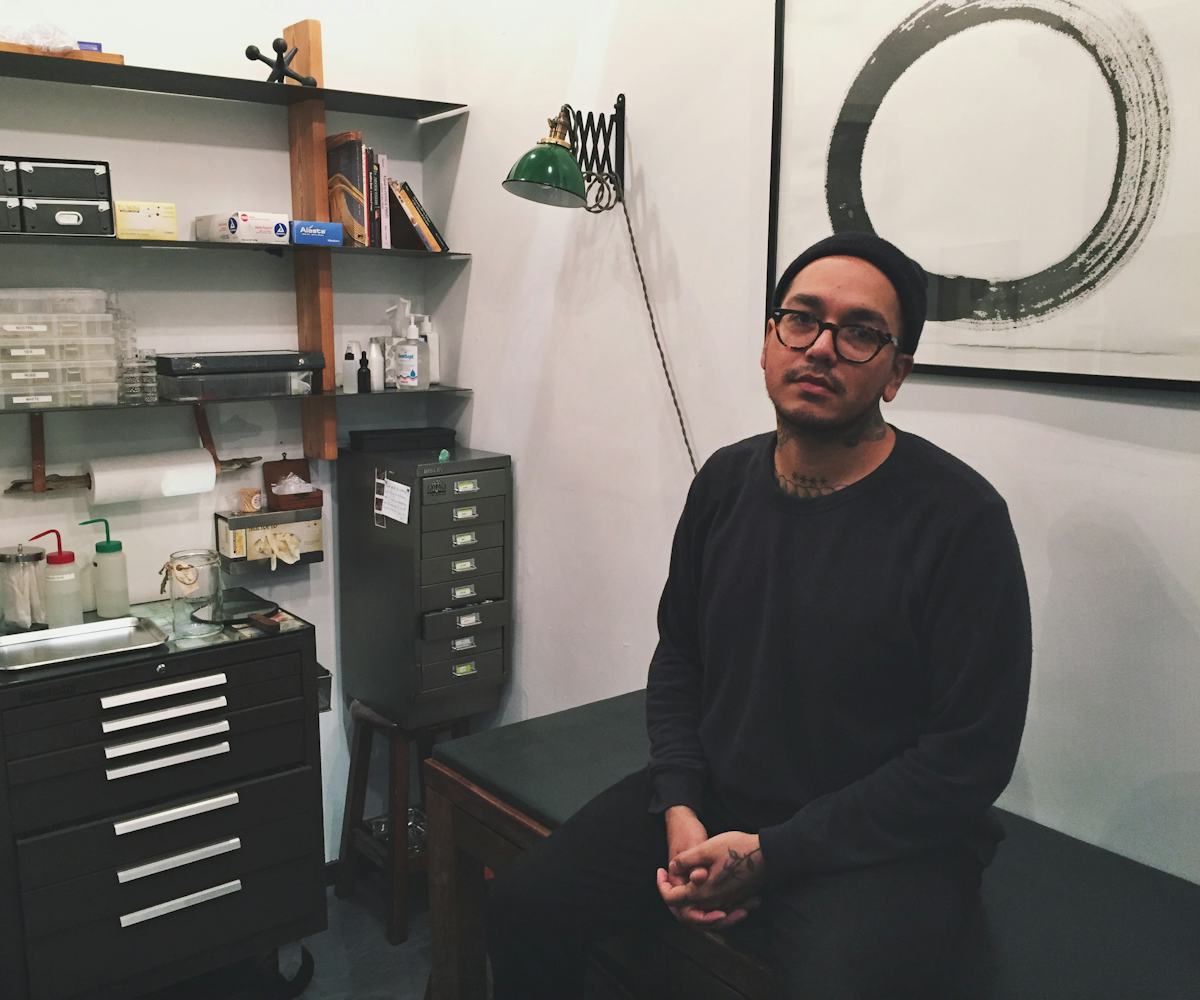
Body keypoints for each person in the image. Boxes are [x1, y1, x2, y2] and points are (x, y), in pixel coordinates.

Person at [486, 232, 1032, 1000]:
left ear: (897, 372)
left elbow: (967, 759)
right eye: (801, 319)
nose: (822, 348)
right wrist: (679, 803)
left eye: (861, 332)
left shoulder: (961, 521)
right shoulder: (724, 481)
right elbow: (680, 658)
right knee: (524, 907)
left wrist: (775, 852)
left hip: (884, 842)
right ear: (769, 340)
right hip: (719, 796)